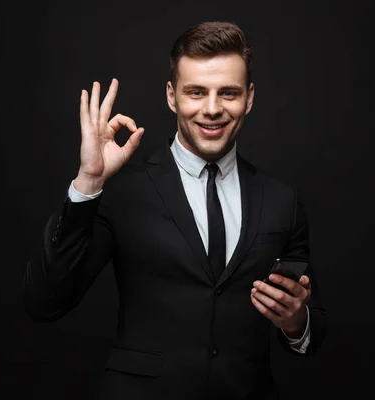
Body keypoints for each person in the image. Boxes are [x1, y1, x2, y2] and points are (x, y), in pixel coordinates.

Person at [24, 21, 326, 400]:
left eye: (228, 93)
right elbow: (44, 302)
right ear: (172, 96)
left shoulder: (283, 200)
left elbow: (311, 327)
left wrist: (297, 321)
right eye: (196, 92)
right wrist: (87, 181)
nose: (212, 109)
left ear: (249, 98)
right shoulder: (123, 190)